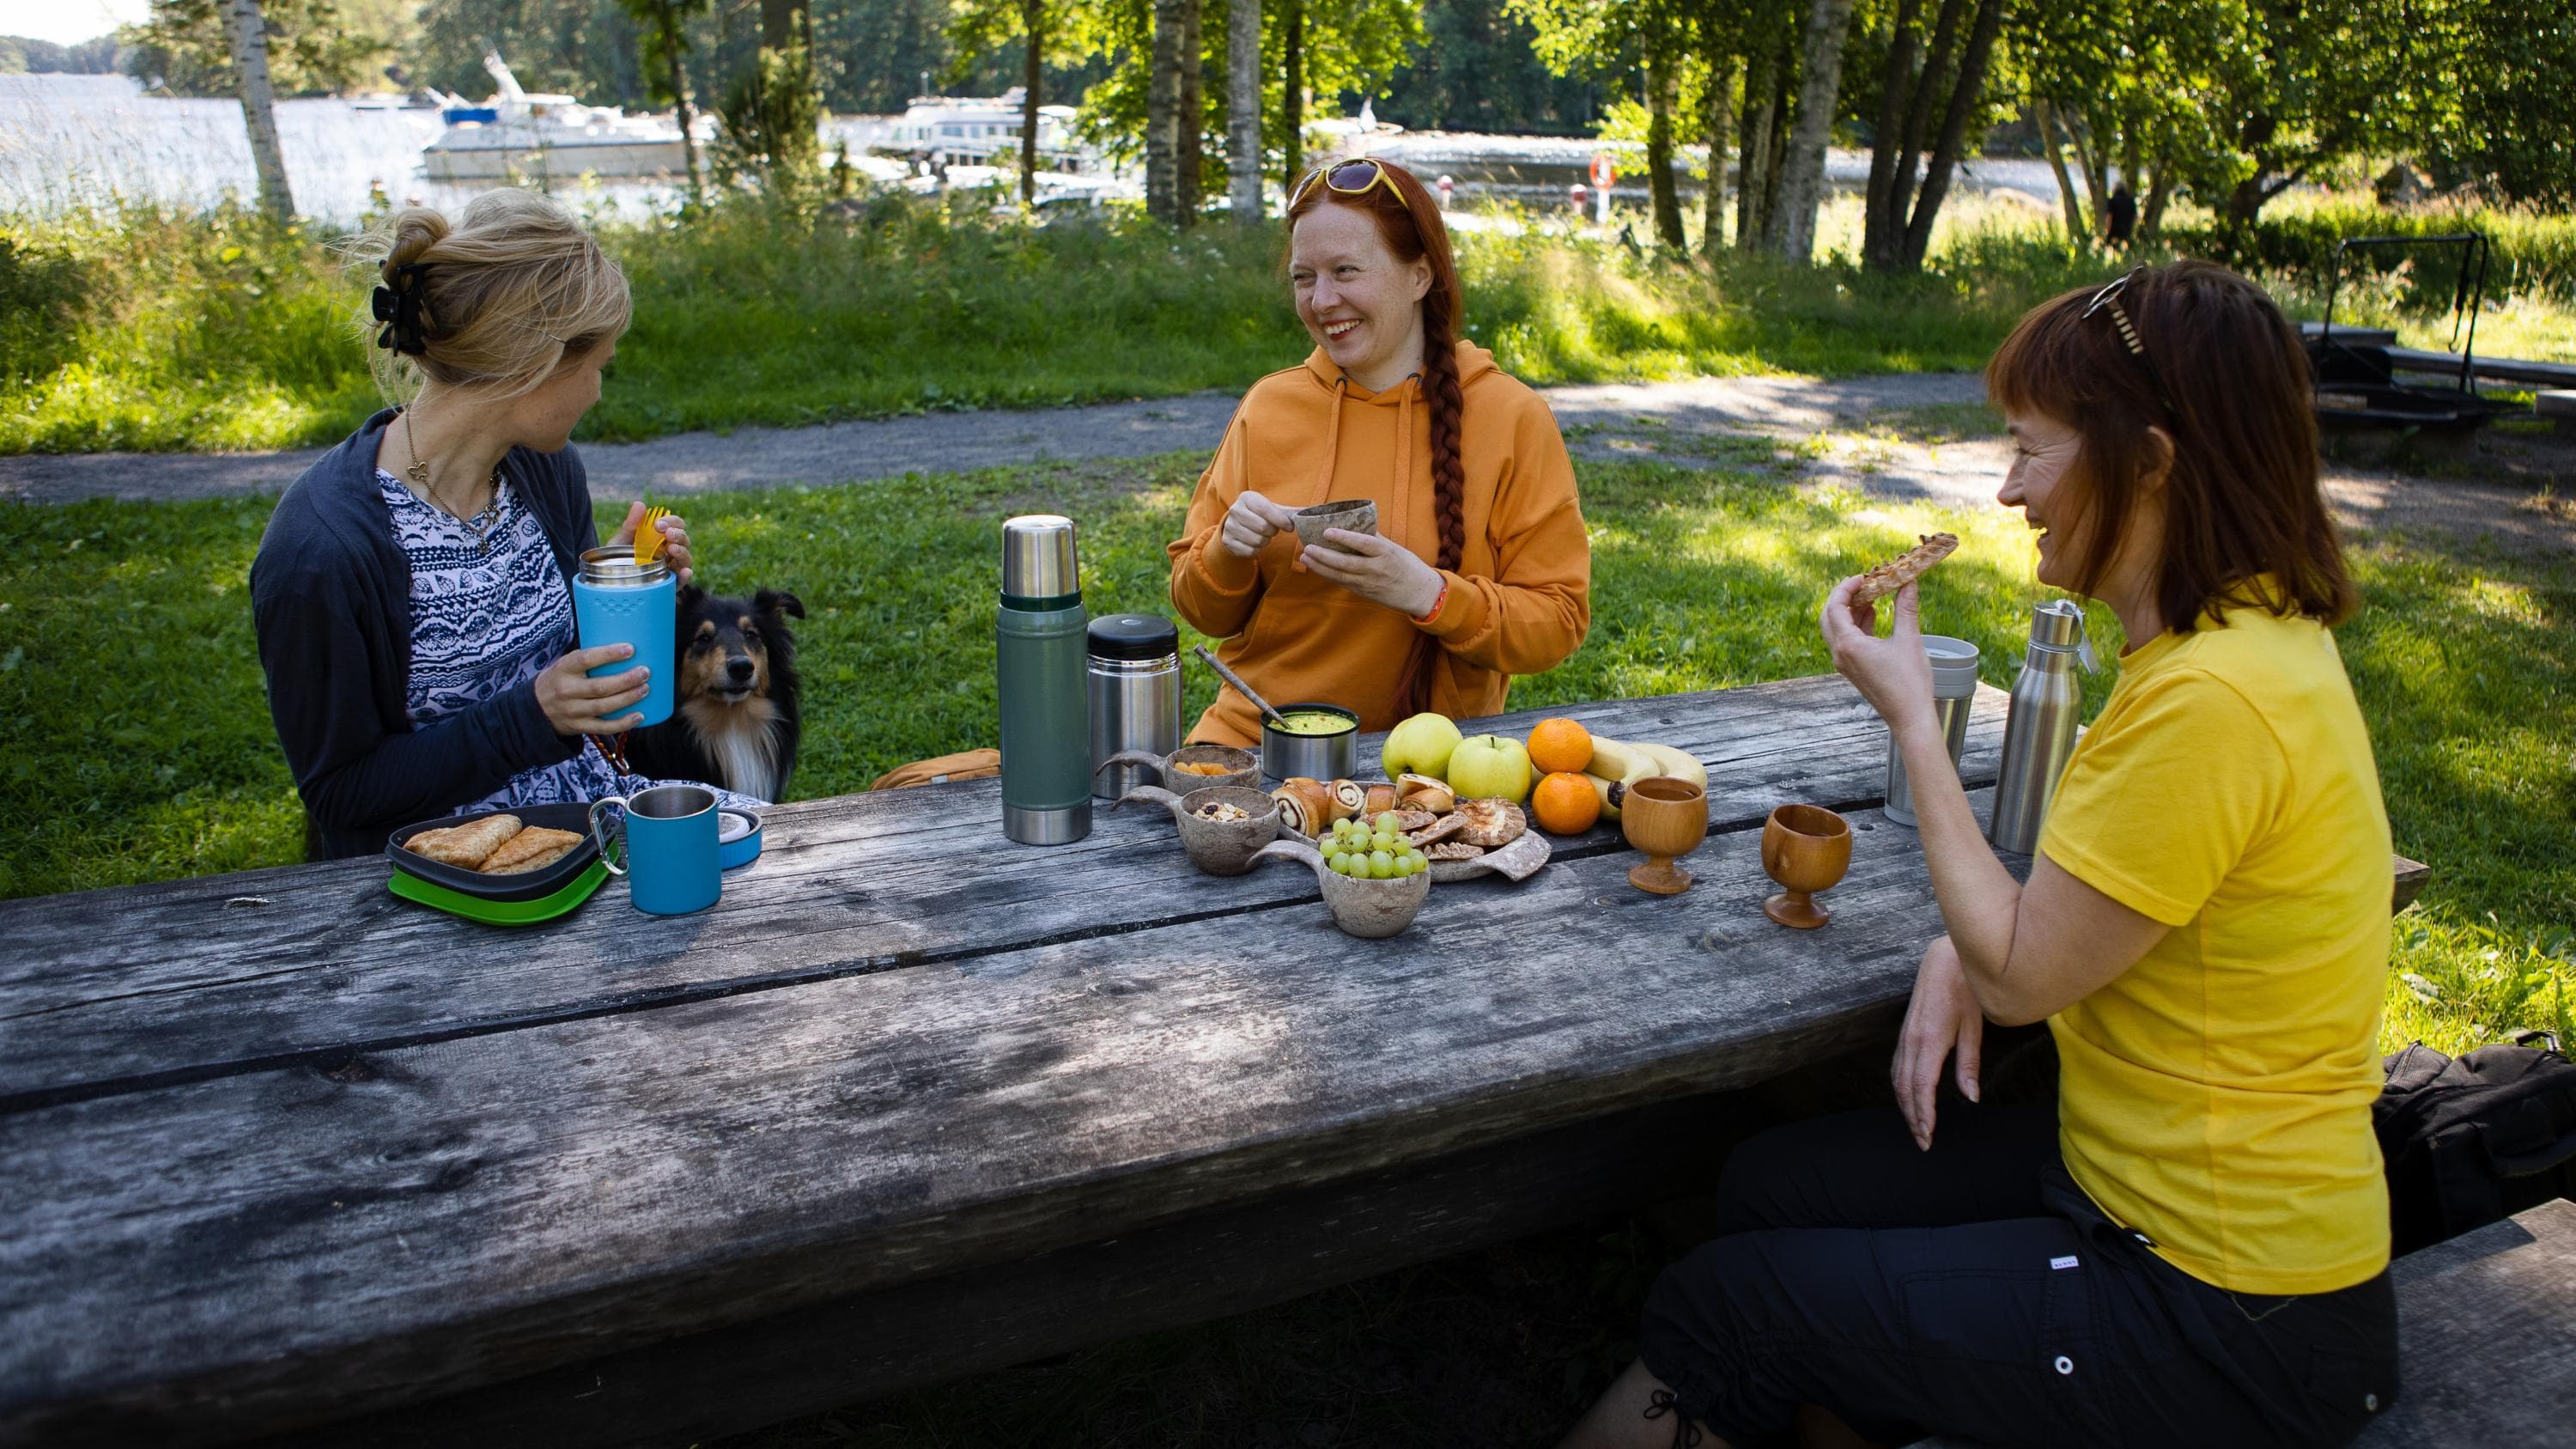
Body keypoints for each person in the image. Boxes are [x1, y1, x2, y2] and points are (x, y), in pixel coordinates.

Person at [1560, 261, 2399, 1448]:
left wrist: (1915, 722)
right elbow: (2092, 909)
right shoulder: (2247, 641)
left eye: (2030, 451)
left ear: (2151, 463)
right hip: (2137, 1195)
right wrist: (1978, 940)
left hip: (2223, 1306)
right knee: (1769, 1183)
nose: (2009, 491)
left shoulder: (2213, 700)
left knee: (1726, 1304)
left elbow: (2018, 971)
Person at [251, 190, 759, 861]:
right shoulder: (320, 553)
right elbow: (341, 794)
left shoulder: (543, 472)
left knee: (784, 850)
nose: (599, 392)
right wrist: (530, 717)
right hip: (450, 867)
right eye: (599, 366)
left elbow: (569, 676)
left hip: (588, 811)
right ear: (537, 366)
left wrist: (618, 586)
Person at [1167, 157, 1590, 746]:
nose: (1321, 300)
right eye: (1303, 277)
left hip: (1435, 766)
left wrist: (1431, 594)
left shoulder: (1511, 416)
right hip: (1257, 743)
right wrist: (1226, 551)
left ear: (1420, 276)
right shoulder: (1269, 406)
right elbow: (1201, 609)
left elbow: (1558, 622)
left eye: (1345, 270)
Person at [2105, 181, 2137, 248]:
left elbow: (2109, 217)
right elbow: (2135, 218)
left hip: (2113, 233)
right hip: (2126, 232)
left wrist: (2107, 231)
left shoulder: (2112, 201)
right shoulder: (2131, 202)